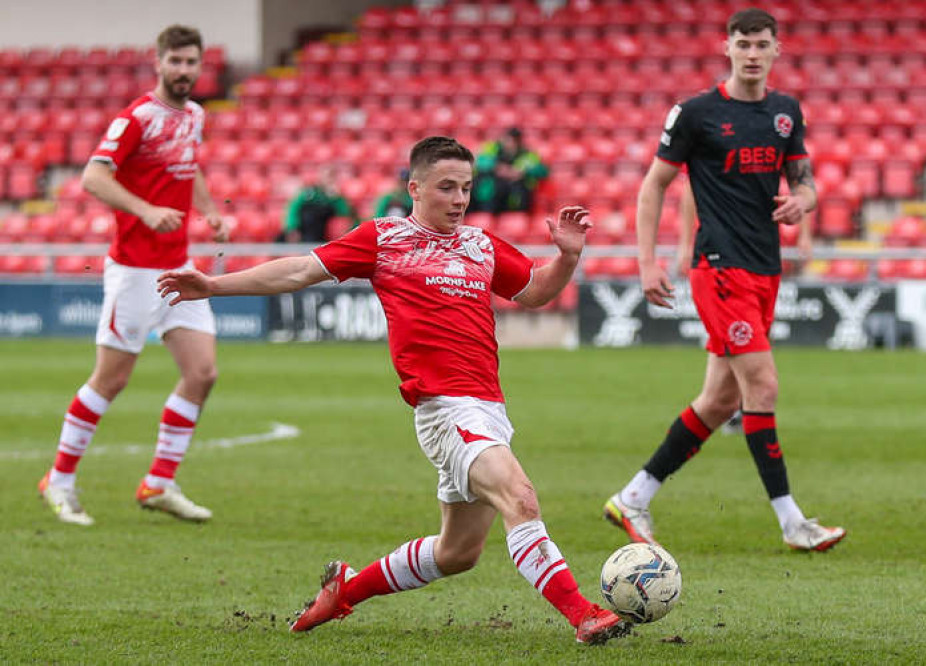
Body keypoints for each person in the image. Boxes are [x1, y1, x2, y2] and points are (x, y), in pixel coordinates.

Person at [157, 136, 631, 644]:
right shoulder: (384, 238)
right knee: (521, 498)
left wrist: (567, 259)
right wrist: (214, 284)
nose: (459, 199)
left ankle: (344, 592)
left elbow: (534, 291)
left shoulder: (480, 244)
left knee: (457, 554)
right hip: (445, 408)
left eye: (466, 188)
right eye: (446, 187)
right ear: (415, 188)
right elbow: (299, 269)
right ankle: (583, 615)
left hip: (487, 408)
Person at [603, 8, 846, 552]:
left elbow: (805, 181)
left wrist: (800, 203)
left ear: (777, 50)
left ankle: (633, 498)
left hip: (765, 267)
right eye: (744, 43)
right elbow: (654, 186)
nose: (753, 53)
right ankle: (792, 522)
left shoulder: (786, 113)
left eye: (763, 44)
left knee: (717, 400)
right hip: (718, 267)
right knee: (762, 386)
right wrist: (648, 262)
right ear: (727, 47)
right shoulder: (696, 114)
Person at [36, 25, 227, 526]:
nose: (184, 71)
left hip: (178, 268)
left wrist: (208, 211)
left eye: (192, 63)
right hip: (135, 271)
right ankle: (58, 480)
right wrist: (144, 210)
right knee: (112, 379)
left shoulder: (195, 116)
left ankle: (158, 483)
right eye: (176, 62)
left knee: (202, 373)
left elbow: (191, 167)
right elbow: (93, 176)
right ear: (159, 62)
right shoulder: (137, 117)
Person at [675, 180, 815, 436]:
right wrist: (685, 243)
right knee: (739, 340)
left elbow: (800, 185)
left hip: (758, 252)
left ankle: (735, 404)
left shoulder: (767, 146)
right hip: (720, 256)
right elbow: (688, 189)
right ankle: (741, 406)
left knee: (754, 336)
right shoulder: (710, 150)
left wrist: (804, 234)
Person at [470, 127, 549, 213]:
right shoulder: (492, 148)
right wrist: (497, 167)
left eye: (510, 140)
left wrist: (523, 172)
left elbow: (542, 171)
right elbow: (478, 161)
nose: (506, 143)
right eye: (505, 139)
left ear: (517, 142)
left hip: (516, 195)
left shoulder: (527, 154)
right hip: (491, 193)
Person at [278, 164, 356, 243]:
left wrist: (336, 197)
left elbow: (344, 213)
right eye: (326, 176)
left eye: (331, 176)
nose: (328, 179)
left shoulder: (335, 197)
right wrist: (292, 228)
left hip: (322, 235)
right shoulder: (309, 192)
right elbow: (293, 208)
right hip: (304, 232)